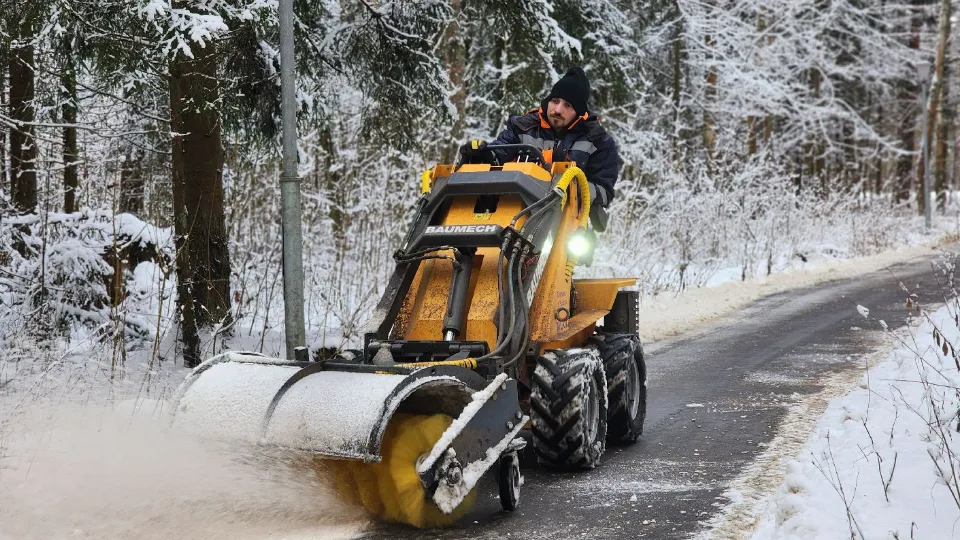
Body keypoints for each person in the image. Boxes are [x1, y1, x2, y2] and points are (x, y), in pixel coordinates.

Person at [459, 66, 620, 208]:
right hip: (510, 209)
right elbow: (499, 154)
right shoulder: (523, 127)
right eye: (555, 101)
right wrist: (483, 155)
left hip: (565, 220)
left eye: (567, 105)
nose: (557, 109)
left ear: (579, 112)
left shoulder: (597, 141)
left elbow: (604, 192)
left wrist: (569, 188)